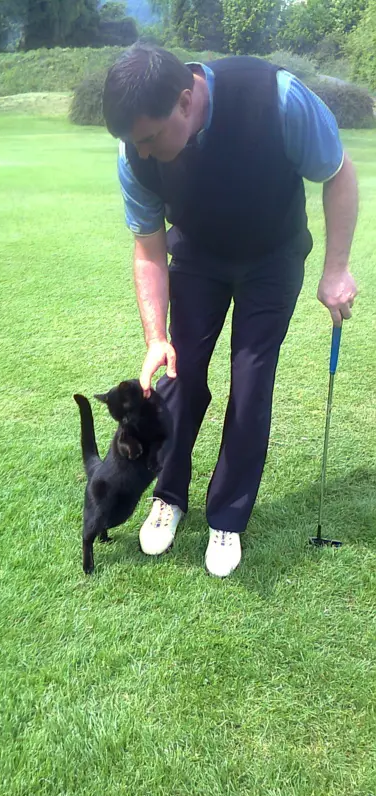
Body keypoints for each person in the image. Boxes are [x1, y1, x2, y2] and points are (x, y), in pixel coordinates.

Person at [102, 45, 358, 577]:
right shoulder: (134, 153)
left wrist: (335, 269)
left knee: (252, 377)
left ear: (185, 99)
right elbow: (149, 246)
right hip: (197, 253)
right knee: (179, 373)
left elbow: (338, 171)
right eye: (134, 142)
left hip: (272, 255)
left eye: (150, 137)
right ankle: (168, 496)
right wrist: (155, 335)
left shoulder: (278, 98)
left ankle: (228, 518)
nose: (143, 152)